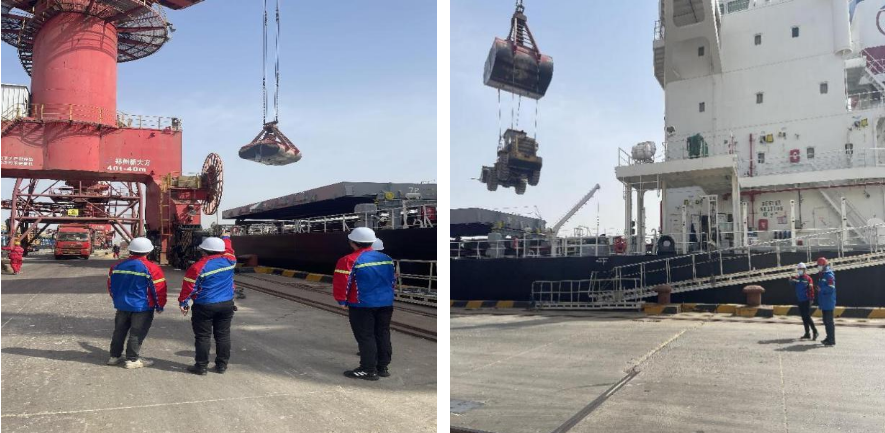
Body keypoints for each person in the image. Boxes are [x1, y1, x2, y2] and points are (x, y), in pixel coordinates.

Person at [333, 227, 396, 381]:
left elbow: (343, 283)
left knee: (366, 336)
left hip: (362, 304)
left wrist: (342, 300)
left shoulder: (348, 260)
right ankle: (382, 367)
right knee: (383, 333)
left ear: (352, 242)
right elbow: (392, 280)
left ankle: (368, 370)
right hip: (386, 303)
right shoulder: (387, 258)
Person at [178, 234, 237, 375]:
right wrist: (225, 237)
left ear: (204, 251)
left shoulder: (197, 267)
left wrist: (183, 302)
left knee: (203, 337)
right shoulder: (230, 260)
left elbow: (188, 289)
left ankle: (201, 367)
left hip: (204, 306)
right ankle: (222, 366)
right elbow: (229, 249)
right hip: (226, 304)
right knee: (223, 335)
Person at [106, 237, 166, 368]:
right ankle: (132, 360)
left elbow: (111, 286)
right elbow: (158, 289)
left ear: (130, 250)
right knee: (137, 333)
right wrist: (160, 305)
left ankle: (114, 356)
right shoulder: (152, 268)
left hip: (122, 306)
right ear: (149, 251)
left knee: (119, 331)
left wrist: (117, 299)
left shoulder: (117, 266)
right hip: (142, 307)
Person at [788, 263, 817, 340]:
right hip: (800, 300)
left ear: (804, 270)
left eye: (801, 269)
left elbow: (811, 289)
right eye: (799, 269)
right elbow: (792, 284)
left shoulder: (808, 279)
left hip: (806, 300)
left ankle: (815, 331)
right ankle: (807, 333)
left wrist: (811, 299)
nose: (800, 271)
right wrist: (790, 280)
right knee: (803, 317)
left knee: (807, 316)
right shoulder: (797, 278)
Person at [816, 257, 837, 346]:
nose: (819, 266)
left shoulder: (829, 275)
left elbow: (831, 288)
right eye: (818, 265)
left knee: (829, 322)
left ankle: (831, 340)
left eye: (820, 265)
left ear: (824, 265)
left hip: (828, 302)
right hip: (824, 302)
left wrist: (821, 289)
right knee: (826, 321)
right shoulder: (822, 275)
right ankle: (828, 338)